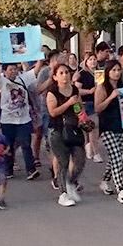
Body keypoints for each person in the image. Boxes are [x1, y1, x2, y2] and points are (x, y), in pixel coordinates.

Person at [46, 64, 86, 207]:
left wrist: (83, 118)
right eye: (61, 73)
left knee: (80, 159)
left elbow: (78, 107)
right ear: (55, 77)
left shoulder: (74, 90)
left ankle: (70, 182)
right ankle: (63, 194)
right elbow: (53, 112)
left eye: (67, 72)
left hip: (73, 129)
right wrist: (68, 102)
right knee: (63, 162)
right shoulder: (52, 92)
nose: (65, 75)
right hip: (57, 131)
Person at [0, 62, 41, 181]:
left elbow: (36, 70)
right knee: (8, 145)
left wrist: (39, 55)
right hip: (7, 119)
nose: (13, 71)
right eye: (10, 69)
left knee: (26, 144)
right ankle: (8, 169)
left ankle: (31, 169)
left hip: (24, 119)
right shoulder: (2, 82)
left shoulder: (23, 78)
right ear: (5, 71)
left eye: (15, 69)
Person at [93, 60, 123, 204]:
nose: (117, 72)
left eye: (118, 70)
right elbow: (98, 108)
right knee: (116, 154)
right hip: (107, 125)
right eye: (114, 70)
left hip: (121, 125)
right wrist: (111, 97)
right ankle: (121, 188)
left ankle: (105, 180)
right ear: (108, 72)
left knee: (114, 157)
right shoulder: (102, 87)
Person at [73, 53, 101, 163]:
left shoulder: (99, 73)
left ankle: (92, 149)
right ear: (86, 61)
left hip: (96, 102)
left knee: (94, 128)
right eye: (90, 59)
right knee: (89, 128)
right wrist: (89, 91)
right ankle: (92, 150)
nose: (93, 61)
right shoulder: (82, 74)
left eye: (94, 59)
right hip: (85, 103)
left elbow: (101, 87)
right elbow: (76, 90)